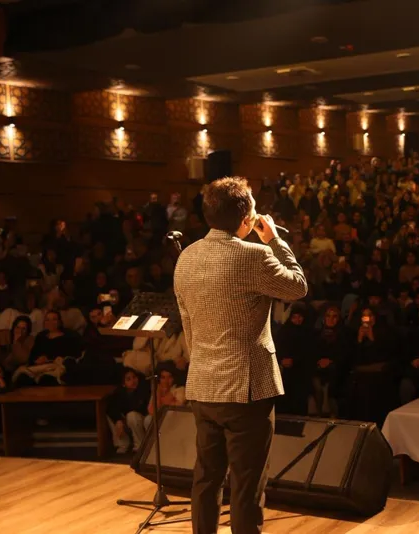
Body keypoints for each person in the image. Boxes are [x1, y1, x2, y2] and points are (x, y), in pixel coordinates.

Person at [174, 177, 307, 534]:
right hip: (245, 390)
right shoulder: (255, 255)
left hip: (203, 384)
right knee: (247, 486)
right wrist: (274, 240)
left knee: (206, 479)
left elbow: (187, 325)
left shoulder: (186, 258)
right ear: (247, 218)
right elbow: (298, 286)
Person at [107, 367, 150, 454]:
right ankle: (123, 444)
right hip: (128, 423)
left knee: (132, 415)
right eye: (128, 379)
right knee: (113, 417)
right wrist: (118, 420)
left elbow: (142, 409)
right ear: (123, 384)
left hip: (143, 419)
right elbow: (111, 408)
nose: (133, 381)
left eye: (134, 377)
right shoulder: (120, 393)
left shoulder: (143, 389)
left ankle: (140, 445)